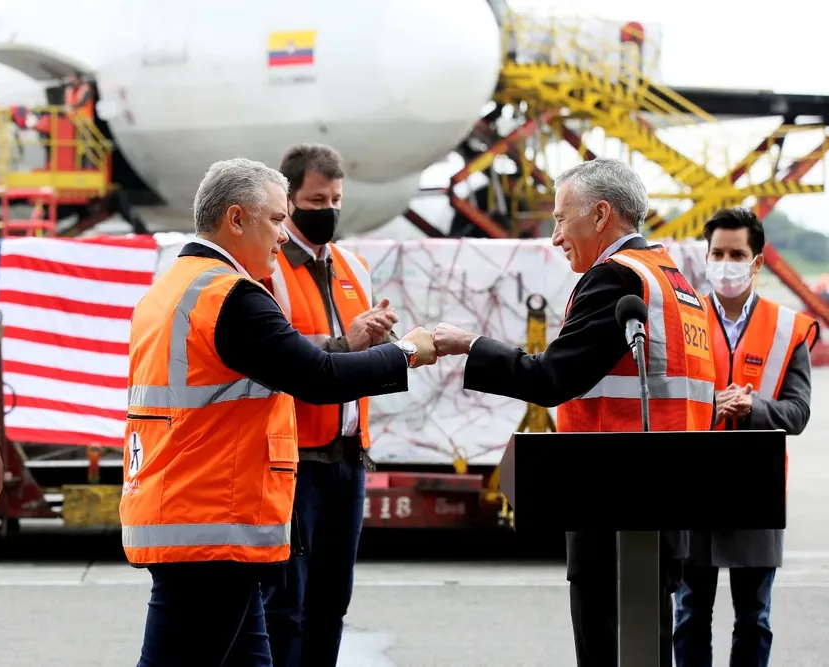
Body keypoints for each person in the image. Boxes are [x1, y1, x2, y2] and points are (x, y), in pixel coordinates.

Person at [120, 157, 437, 667]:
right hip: (212, 524)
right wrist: (409, 352)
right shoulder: (233, 297)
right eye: (275, 219)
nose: (284, 235)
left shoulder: (174, 288)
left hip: (195, 515)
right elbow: (318, 377)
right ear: (237, 218)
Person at [431, 157, 716, 667]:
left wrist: (468, 345)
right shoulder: (676, 284)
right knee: (650, 650)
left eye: (562, 218)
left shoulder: (617, 280)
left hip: (611, 501)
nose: (556, 235)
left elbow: (551, 379)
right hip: (667, 505)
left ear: (602, 214)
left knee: (607, 648)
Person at [259, 143, 398, 667]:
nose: (329, 210)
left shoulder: (353, 267)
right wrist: (348, 342)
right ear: (289, 201)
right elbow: (280, 359)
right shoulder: (269, 270)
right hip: (295, 460)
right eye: (317, 199)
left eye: (336, 198)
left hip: (347, 457)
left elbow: (356, 351)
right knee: (287, 606)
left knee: (331, 602)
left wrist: (381, 340)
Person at [673, 207, 819, 667]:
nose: (726, 262)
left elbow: (798, 413)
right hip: (692, 485)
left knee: (755, 616)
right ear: (706, 255)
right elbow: (662, 401)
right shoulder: (681, 320)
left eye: (737, 253)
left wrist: (752, 407)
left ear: (757, 262)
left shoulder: (787, 328)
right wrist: (708, 405)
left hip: (757, 488)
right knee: (690, 613)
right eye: (718, 252)